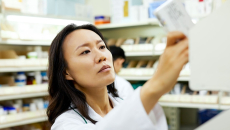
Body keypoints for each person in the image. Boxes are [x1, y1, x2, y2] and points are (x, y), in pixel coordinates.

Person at [47, 24, 188, 130]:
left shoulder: (124, 102)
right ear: (66, 72)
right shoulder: (66, 124)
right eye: (85, 51)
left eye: (102, 47)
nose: (101, 56)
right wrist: (156, 85)